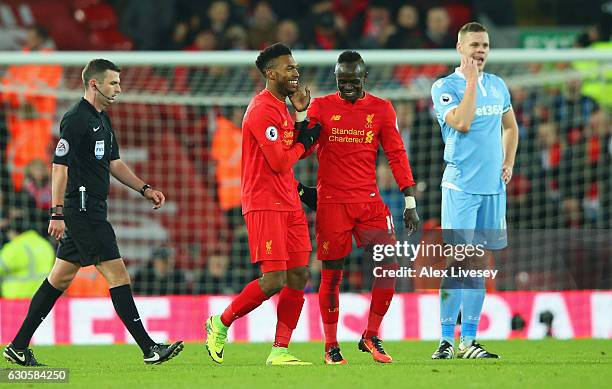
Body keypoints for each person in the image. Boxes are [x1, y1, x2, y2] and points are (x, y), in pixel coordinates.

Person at [3, 59, 184, 367]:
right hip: (83, 210)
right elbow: (59, 166)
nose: (119, 88)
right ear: (94, 84)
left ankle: (18, 346)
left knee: (58, 279)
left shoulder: (103, 120)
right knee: (117, 273)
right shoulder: (75, 119)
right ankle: (149, 347)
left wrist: (144, 188)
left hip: (92, 208)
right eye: (113, 83)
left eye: (119, 83)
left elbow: (114, 163)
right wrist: (57, 212)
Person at [297, 51, 419, 364]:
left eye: (353, 81)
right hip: (332, 204)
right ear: (335, 79)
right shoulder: (322, 106)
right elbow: (302, 148)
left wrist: (409, 200)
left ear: (364, 78)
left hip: (369, 202)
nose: (347, 87)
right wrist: (300, 117)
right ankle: (330, 346)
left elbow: (396, 154)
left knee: (389, 265)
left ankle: (371, 335)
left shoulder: (381, 108)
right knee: (331, 277)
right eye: (342, 81)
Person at [204, 43, 321, 366]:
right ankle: (220, 322)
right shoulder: (261, 110)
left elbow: (294, 150)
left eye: (296, 67)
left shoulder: (281, 109)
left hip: (288, 200)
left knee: (299, 274)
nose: (295, 72)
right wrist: (305, 139)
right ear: (271, 74)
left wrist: (300, 118)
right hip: (264, 203)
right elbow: (281, 160)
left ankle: (280, 350)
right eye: (289, 68)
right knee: (274, 280)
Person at [430, 22, 518, 359]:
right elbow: (462, 122)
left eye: (485, 45)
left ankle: (469, 341)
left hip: (492, 189)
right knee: (459, 261)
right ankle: (445, 340)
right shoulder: (445, 86)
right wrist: (470, 83)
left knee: (479, 263)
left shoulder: (497, 86)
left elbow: (510, 128)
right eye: (474, 45)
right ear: (460, 48)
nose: (480, 51)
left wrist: (507, 161)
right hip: (461, 187)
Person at [0, 217, 54, 298]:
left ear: (13, 231)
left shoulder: (15, 247)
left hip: (15, 302)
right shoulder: (46, 245)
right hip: (40, 302)